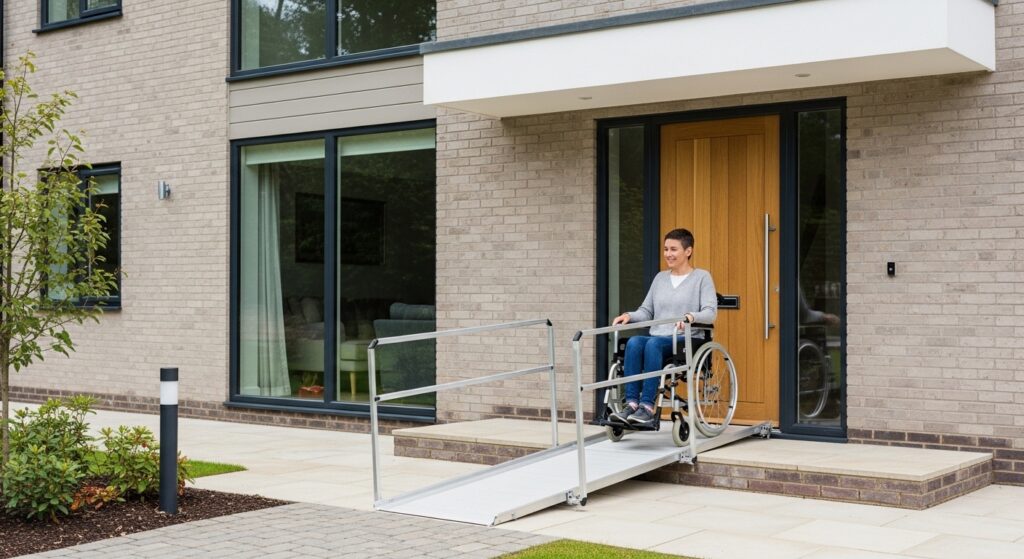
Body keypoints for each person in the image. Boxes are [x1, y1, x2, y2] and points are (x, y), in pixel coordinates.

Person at [609, 228, 717, 427]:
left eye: (673, 249)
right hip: (659, 336)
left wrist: (691, 317)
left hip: (687, 338)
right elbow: (646, 311)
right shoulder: (660, 278)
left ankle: (647, 407)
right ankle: (632, 404)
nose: (668, 254)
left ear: (688, 251)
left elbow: (710, 312)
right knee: (634, 342)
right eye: (666, 249)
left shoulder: (702, 277)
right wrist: (629, 316)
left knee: (653, 345)